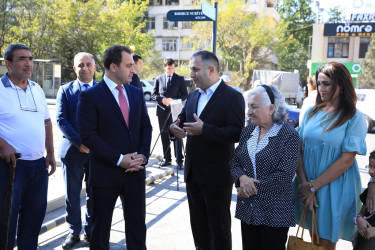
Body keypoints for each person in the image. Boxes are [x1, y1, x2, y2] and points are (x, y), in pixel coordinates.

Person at [77, 45, 152, 250]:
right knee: (100, 232)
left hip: (135, 172)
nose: (133, 70)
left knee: (137, 230)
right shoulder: (91, 96)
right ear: (112, 66)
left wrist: (143, 156)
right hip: (105, 174)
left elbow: (146, 126)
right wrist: (119, 159)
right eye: (128, 65)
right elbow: (89, 136)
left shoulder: (136, 93)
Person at [169, 50, 245, 250]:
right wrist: (173, 127)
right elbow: (182, 119)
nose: (191, 75)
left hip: (217, 175)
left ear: (211, 70)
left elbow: (237, 133)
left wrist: (206, 130)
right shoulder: (193, 95)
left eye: (195, 70)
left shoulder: (233, 97)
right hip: (193, 173)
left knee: (218, 228)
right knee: (199, 227)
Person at [295, 62, 367, 250]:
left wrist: (313, 186)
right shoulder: (311, 112)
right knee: (312, 242)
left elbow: (346, 161)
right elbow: (298, 150)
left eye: (326, 83)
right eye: (319, 83)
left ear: (341, 85)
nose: (321, 88)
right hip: (306, 185)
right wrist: (304, 186)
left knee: (325, 245)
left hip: (333, 187)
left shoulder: (354, 117)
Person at [0, 43, 56, 249]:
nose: (28, 63)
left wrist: (50, 153)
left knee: (33, 219)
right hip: (11, 167)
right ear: (8, 63)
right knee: (6, 222)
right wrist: (2, 145)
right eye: (22, 59)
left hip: (38, 167)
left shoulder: (37, 89)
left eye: (31, 59)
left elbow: (47, 122)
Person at [230, 85, 299, 250]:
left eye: (254, 107)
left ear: (271, 108)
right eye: (248, 106)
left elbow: (284, 175)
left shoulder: (288, 135)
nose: (248, 112)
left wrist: (248, 187)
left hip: (274, 213)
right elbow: (234, 162)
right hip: (249, 211)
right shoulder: (248, 132)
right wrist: (242, 178)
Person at [56, 52, 97, 249]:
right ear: (75, 68)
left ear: (95, 67)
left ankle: (91, 230)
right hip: (72, 151)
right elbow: (61, 119)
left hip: (98, 153)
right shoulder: (65, 90)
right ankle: (74, 232)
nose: (85, 68)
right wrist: (79, 142)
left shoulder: (103, 90)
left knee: (94, 193)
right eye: (81, 65)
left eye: (89, 64)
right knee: (72, 195)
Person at [152, 58, 188, 169]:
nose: (171, 70)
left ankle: (179, 161)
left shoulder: (180, 79)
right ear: (164, 67)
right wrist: (162, 99)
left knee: (176, 134)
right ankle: (167, 159)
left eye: (172, 68)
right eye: (169, 68)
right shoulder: (159, 78)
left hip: (175, 110)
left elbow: (185, 95)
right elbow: (154, 95)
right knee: (164, 135)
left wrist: (174, 100)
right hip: (162, 111)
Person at [353, 150, 375, 250]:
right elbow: (361, 213)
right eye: (369, 166)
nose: (371, 171)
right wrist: (359, 219)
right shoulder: (369, 192)